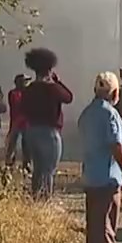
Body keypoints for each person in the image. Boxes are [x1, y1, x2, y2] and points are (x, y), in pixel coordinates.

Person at [78, 71, 122, 243]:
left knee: (93, 219)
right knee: (108, 219)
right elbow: (116, 144)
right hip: (108, 176)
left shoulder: (86, 113)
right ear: (114, 92)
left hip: (91, 174)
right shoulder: (110, 113)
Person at [19, 47, 74, 200]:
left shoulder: (28, 90)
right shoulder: (53, 89)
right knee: (49, 169)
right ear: (49, 70)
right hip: (50, 133)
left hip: (32, 131)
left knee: (38, 169)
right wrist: (58, 81)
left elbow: (23, 108)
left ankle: (36, 198)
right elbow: (69, 97)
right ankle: (46, 200)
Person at [4, 74, 31, 171]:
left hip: (25, 123)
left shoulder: (27, 93)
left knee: (27, 145)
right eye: (25, 81)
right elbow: (18, 105)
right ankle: (9, 162)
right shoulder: (14, 93)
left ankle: (26, 164)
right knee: (12, 144)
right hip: (16, 122)